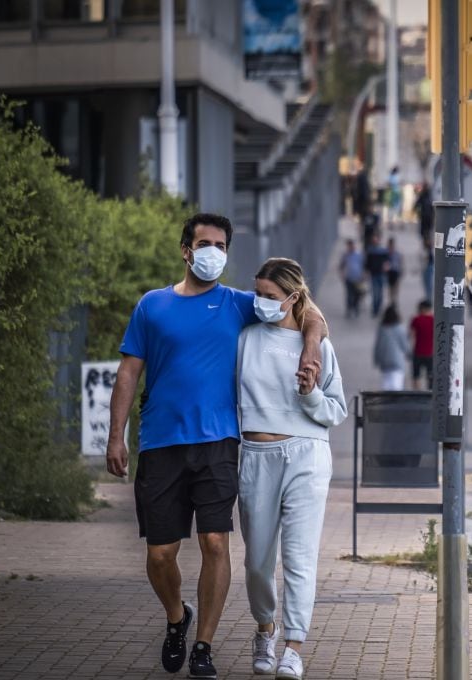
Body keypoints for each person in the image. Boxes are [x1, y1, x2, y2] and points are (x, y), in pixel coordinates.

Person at [106, 213, 327, 679]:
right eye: (205, 243)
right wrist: (115, 435)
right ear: (186, 250)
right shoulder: (152, 305)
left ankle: (203, 645)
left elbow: (308, 309)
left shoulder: (238, 304)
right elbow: (129, 372)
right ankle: (176, 617)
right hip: (162, 442)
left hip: (220, 444)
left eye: (222, 245)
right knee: (160, 555)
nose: (214, 253)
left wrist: (310, 347)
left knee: (215, 543)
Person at [237, 257, 347, 680]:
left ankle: (293, 646)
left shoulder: (319, 346)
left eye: (270, 296)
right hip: (256, 455)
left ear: (293, 297)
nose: (261, 302)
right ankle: (266, 627)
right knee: (258, 562)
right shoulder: (245, 339)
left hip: (307, 454)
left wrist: (310, 394)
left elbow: (336, 410)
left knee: (300, 558)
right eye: (258, 294)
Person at [373, 305, 410, 390]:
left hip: (385, 361)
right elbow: (405, 344)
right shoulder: (400, 328)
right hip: (397, 361)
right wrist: (409, 354)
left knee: (386, 384)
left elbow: (378, 345)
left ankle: (386, 402)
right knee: (397, 386)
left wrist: (377, 359)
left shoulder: (382, 328)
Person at [408, 300, 435, 390]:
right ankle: (430, 393)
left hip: (418, 351)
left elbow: (411, 335)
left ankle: (417, 393)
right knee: (430, 375)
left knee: (416, 375)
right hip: (431, 352)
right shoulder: (434, 320)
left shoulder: (416, 319)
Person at [364, 234, 391, 318]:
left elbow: (388, 261)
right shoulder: (370, 251)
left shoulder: (383, 251)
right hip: (374, 275)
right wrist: (366, 272)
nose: (375, 241)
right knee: (375, 292)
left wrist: (387, 266)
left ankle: (378, 307)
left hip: (381, 275)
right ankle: (375, 309)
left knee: (380, 293)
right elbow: (367, 263)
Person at [339, 239, 365, 319]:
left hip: (358, 279)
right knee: (349, 295)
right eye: (349, 246)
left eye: (352, 245)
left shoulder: (359, 255)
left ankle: (356, 308)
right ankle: (349, 309)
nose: (350, 247)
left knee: (357, 294)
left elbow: (364, 265)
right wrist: (342, 274)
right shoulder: (345, 255)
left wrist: (364, 275)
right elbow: (341, 266)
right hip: (349, 278)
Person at [386, 237, 403, 305]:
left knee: (395, 288)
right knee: (390, 288)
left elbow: (400, 262)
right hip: (389, 273)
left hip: (396, 272)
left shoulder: (397, 253)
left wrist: (401, 271)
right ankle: (391, 301)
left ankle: (394, 301)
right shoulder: (386, 253)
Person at [422, 235, 435, 303]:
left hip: (430, 267)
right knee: (426, 283)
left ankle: (429, 297)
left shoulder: (432, 249)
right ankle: (427, 297)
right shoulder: (424, 249)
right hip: (425, 267)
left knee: (429, 283)